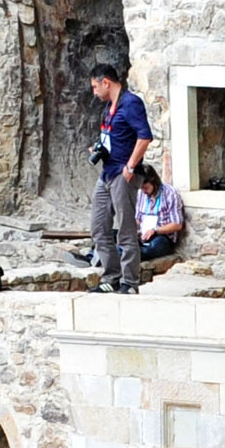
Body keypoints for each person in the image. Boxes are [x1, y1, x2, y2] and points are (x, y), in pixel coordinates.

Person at [84, 61, 150, 294]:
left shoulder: (131, 103)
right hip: (107, 172)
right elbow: (110, 136)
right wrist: (98, 148)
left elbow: (144, 137)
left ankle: (130, 282)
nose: (94, 92)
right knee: (99, 226)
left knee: (125, 228)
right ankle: (111, 277)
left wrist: (131, 166)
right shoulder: (109, 107)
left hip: (124, 174)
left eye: (95, 87)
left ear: (106, 82)